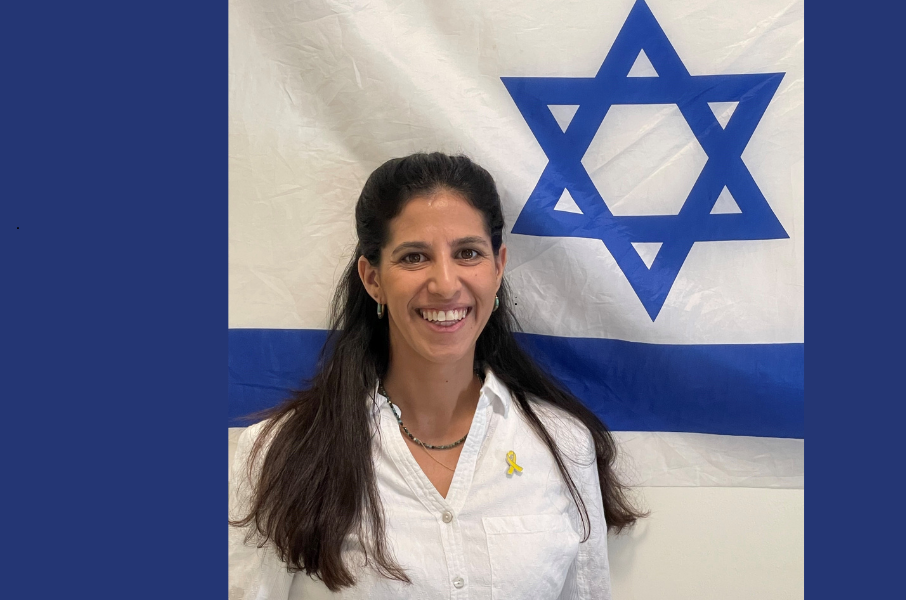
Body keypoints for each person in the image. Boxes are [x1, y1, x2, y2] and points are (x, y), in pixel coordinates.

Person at [230, 152, 645, 599]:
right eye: (414, 257)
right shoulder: (282, 451)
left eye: (468, 253)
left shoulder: (564, 445)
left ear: (498, 266)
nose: (446, 284)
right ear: (373, 279)